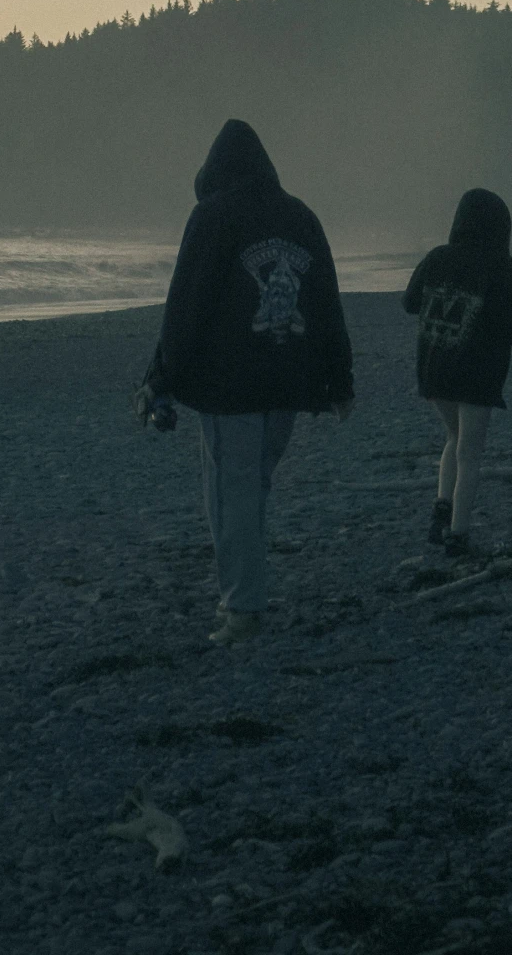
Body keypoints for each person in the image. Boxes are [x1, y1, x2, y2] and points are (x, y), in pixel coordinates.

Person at [136, 119, 353, 646]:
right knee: (251, 489)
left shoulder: (211, 216)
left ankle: (243, 610)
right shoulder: (301, 216)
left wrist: (159, 377)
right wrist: (339, 378)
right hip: (289, 379)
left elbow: (186, 306)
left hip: (228, 385)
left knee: (230, 495)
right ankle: (240, 599)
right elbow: (326, 300)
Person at [404, 189, 512, 556]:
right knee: (471, 452)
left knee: (453, 436)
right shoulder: (500, 265)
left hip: (434, 369)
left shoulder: (437, 258)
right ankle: (458, 534)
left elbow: (409, 302)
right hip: (477, 373)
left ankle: (441, 507)